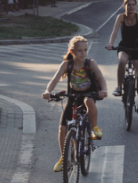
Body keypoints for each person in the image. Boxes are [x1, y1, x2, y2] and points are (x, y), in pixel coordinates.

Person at [42, 36, 108, 171]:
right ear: (72, 52)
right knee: (62, 129)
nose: (83, 53)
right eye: (79, 51)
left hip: (89, 93)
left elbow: (101, 77)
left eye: (85, 50)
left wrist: (104, 89)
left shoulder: (90, 63)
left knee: (89, 101)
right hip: (73, 96)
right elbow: (55, 79)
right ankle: (64, 158)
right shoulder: (67, 64)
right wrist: (48, 91)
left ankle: (94, 128)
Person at [106, 0, 138, 114]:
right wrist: (110, 43)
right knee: (122, 60)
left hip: (137, 46)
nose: (131, 7)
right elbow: (115, 32)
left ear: (135, 6)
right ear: (124, 6)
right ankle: (119, 87)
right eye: (128, 5)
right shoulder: (121, 17)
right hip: (124, 45)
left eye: (133, 4)